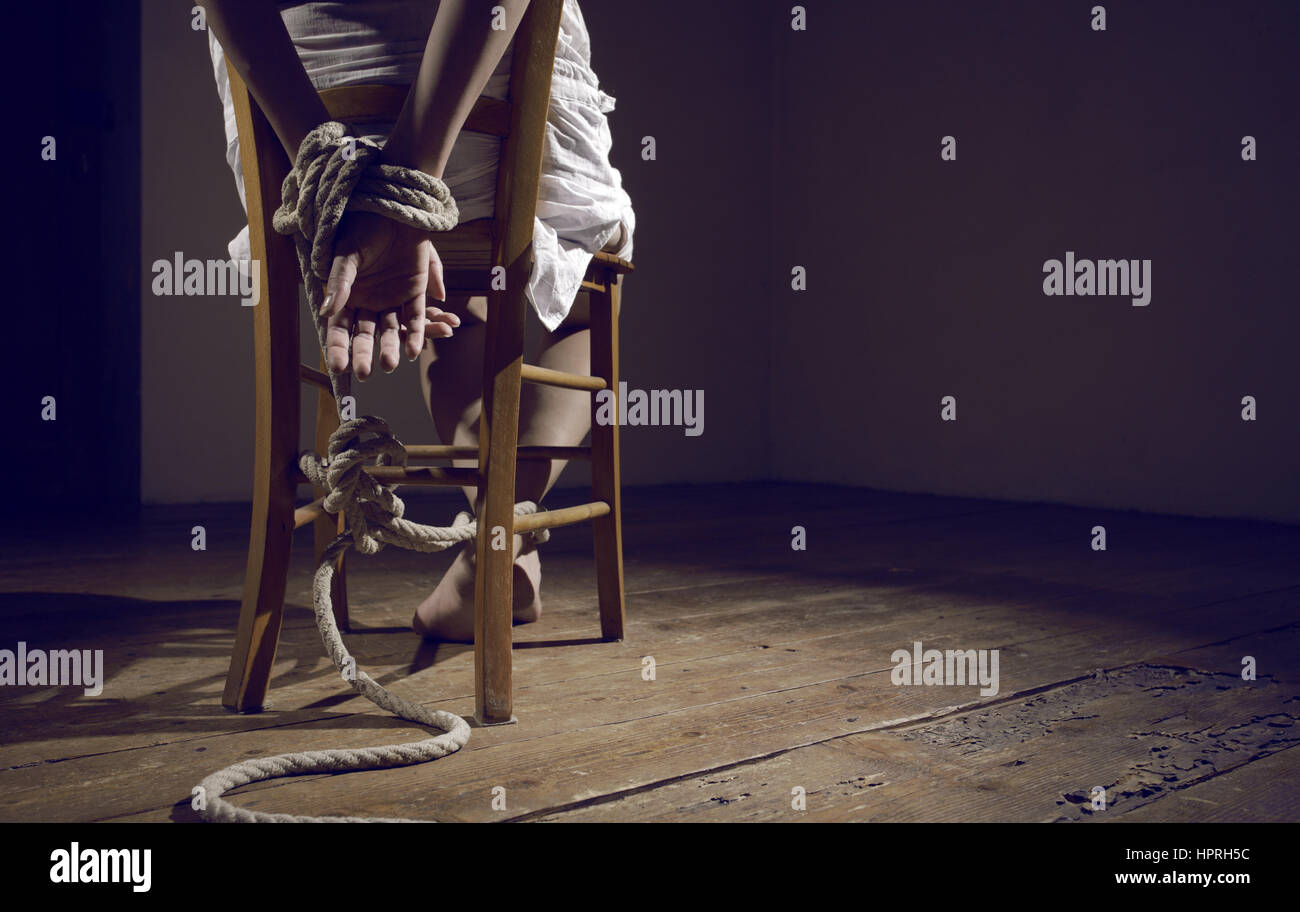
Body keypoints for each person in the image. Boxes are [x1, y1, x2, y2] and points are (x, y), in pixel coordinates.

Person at [204, 0, 635, 641]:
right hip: (488, 120)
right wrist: (408, 184)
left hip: (298, 123)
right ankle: (501, 537)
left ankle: (499, 539)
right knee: (586, 299)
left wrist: (333, 171)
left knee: (451, 307)